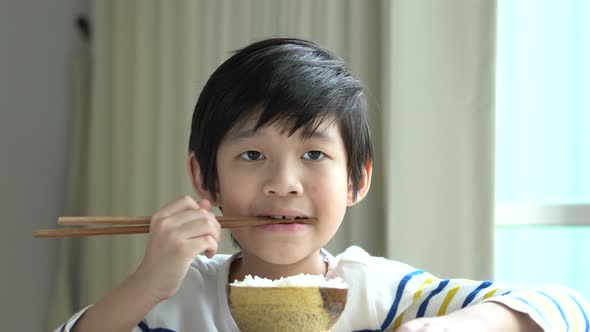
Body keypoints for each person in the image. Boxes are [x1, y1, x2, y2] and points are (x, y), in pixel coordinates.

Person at [57, 38, 588, 332]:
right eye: (252, 154)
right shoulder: (178, 296)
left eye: (314, 154)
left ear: (358, 179)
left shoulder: (383, 294)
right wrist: (148, 284)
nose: (284, 183)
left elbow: (567, 309)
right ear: (205, 178)